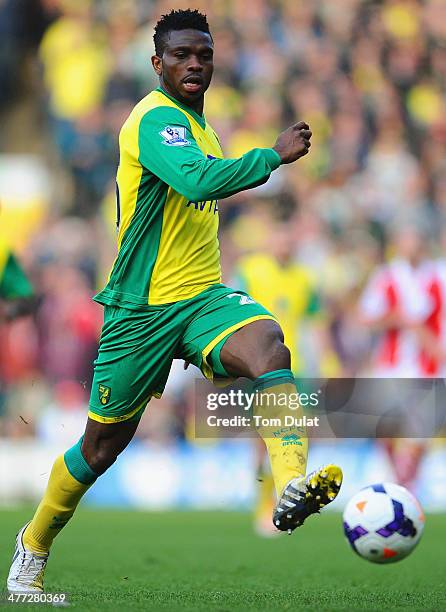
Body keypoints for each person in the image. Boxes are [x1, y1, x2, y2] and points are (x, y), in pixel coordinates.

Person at [7, 9, 342, 593]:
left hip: (202, 297)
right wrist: (272, 155)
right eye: (182, 55)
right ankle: (32, 546)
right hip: (141, 310)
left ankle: (292, 480)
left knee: (268, 345)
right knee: (100, 448)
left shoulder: (200, 125)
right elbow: (198, 182)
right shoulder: (154, 120)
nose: (194, 64)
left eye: (204, 55)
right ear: (157, 62)